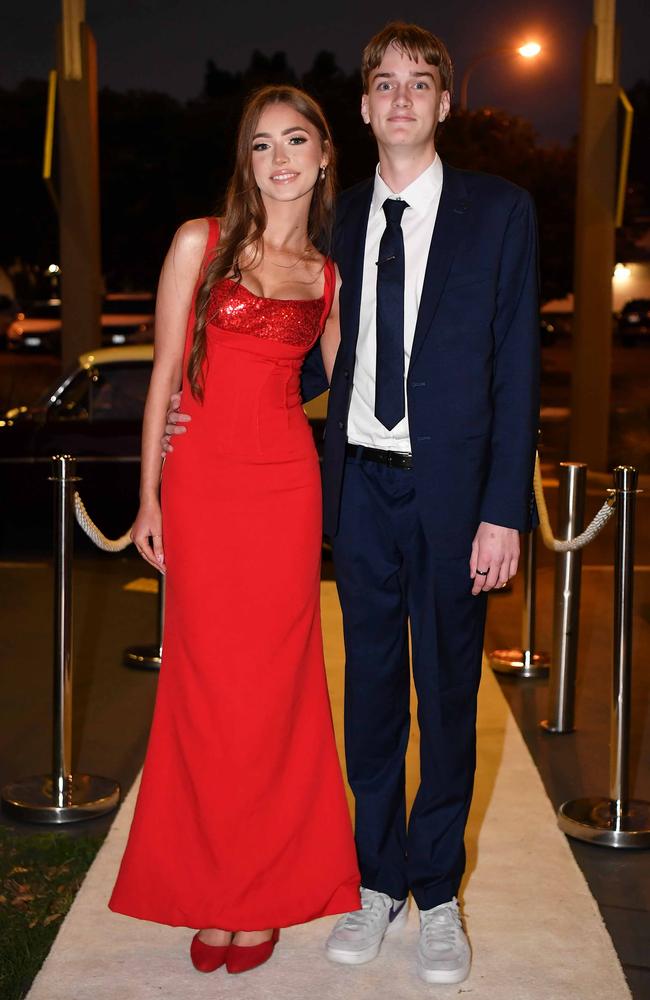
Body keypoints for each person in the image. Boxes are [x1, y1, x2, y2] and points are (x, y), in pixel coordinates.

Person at [164, 21, 540, 987]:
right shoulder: (329, 222)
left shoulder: (499, 213)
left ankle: (439, 892)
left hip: (457, 496)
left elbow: (517, 373)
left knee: (447, 694)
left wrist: (505, 509)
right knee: (370, 694)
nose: (403, 98)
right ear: (364, 108)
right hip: (357, 488)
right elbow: (282, 355)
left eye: (422, 83)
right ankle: (377, 882)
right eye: (385, 83)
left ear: (445, 104)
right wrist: (195, 418)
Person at [109, 84, 361, 976]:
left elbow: (354, 400)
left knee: (275, 694)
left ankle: (255, 897)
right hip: (204, 487)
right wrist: (149, 497)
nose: (280, 158)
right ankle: (210, 887)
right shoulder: (200, 243)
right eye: (262, 145)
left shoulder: (329, 277)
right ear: (246, 162)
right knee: (205, 692)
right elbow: (165, 374)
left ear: (326, 155)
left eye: (297, 140)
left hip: (287, 492)